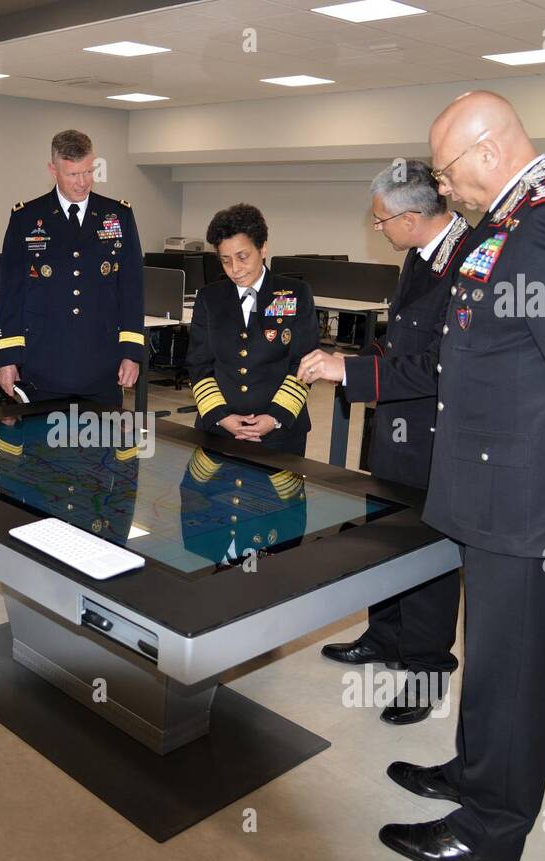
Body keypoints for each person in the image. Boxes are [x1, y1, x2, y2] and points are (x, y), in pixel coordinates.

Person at [371, 91, 545, 861]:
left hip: (526, 496)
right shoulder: (514, 217)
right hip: (492, 486)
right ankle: (476, 774)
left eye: (448, 173)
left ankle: (492, 830)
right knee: (489, 651)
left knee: (516, 669)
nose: (442, 189)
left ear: (488, 152)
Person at [300, 161, 471, 724]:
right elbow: (401, 342)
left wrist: (350, 373)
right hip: (397, 431)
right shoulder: (420, 255)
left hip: (437, 439)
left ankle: (426, 669)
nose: (379, 231)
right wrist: (356, 365)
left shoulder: (470, 263)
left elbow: (443, 367)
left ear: (413, 216)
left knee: (428, 553)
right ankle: (385, 636)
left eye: (381, 222)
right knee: (386, 540)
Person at [0, 129, 144, 406]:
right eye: (73, 174)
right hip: (43, 363)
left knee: (101, 443)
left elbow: (132, 290)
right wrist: (9, 358)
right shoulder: (26, 218)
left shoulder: (118, 215)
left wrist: (131, 353)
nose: (82, 182)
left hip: (101, 363)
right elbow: (11, 295)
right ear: (53, 170)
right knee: (43, 446)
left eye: (88, 172)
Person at [187, 203, 317, 456]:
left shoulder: (296, 293)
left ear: (263, 248)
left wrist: (274, 418)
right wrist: (221, 416)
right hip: (218, 430)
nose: (234, 269)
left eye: (242, 257)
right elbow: (199, 363)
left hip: (281, 432)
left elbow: (304, 363)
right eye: (225, 261)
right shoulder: (208, 297)